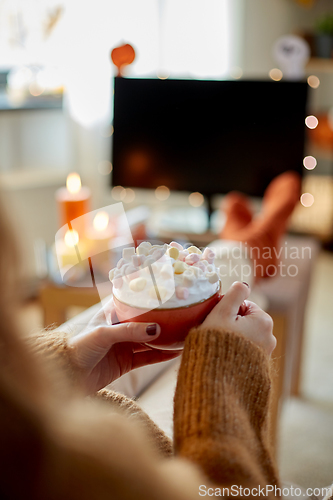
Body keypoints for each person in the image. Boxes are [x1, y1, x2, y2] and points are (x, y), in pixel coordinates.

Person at [0, 194, 282, 500]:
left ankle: (248, 242)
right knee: (224, 277)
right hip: (153, 456)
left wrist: (61, 368)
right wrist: (228, 374)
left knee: (115, 319)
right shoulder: (74, 470)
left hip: (45, 396)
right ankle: (254, 243)